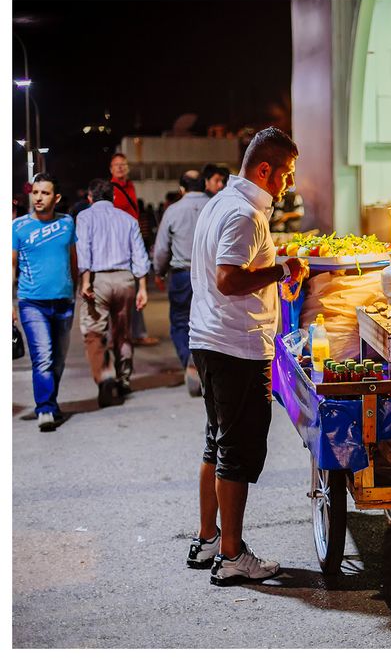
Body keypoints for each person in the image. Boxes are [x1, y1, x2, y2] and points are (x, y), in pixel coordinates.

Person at [186, 127, 305, 585]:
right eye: (285, 173)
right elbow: (228, 278)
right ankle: (232, 556)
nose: (287, 183)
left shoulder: (221, 203)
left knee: (216, 443)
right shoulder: (243, 214)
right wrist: (283, 269)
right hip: (234, 345)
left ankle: (209, 538)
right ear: (264, 169)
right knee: (236, 451)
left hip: (211, 339)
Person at [75, 178, 151, 407]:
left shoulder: (84, 217)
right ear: (113, 197)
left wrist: (85, 281)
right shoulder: (128, 219)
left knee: (94, 332)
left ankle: (105, 376)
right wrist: (143, 288)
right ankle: (124, 378)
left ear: (90, 197)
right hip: (125, 280)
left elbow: (83, 250)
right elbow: (140, 255)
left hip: (98, 279)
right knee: (123, 332)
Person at [12, 172, 78, 430]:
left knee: (58, 359)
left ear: (56, 197)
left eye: (45, 193)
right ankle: (45, 408)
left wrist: (77, 288)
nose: (38, 198)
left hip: (63, 302)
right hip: (32, 302)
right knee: (43, 357)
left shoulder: (67, 223)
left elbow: (73, 259)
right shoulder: (18, 227)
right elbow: (10, 265)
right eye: (36, 192)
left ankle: (51, 400)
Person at [153, 170, 209, 397]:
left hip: (182, 274)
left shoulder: (173, 211)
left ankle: (189, 358)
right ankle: (202, 364)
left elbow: (162, 248)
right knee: (207, 321)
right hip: (210, 274)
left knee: (179, 321)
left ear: (182, 189)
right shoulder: (214, 206)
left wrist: (159, 271)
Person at [109, 152, 159, 347]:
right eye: (117, 165)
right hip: (119, 246)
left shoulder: (130, 186)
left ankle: (137, 332)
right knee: (119, 290)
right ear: (111, 169)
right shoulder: (110, 189)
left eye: (123, 164)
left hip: (134, 243)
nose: (121, 167)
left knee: (138, 289)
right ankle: (119, 334)